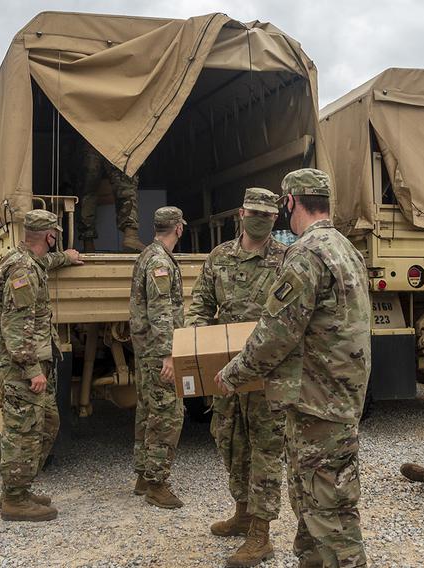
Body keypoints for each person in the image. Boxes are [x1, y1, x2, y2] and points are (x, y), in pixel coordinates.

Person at [215, 169, 371, 568]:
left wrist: (233, 374)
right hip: (339, 397)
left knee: (330, 515)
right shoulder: (345, 248)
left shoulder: (306, 253)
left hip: (318, 403)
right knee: (313, 506)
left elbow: (275, 334)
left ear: (289, 203)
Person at [184, 188, 287, 567]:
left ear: (275, 218)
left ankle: (261, 533)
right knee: (228, 440)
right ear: (241, 213)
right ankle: (242, 511)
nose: (259, 219)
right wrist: (193, 343)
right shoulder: (219, 258)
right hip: (225, 370)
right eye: (254, 213)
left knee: (266, 449)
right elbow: (200, 305)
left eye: (267, 215)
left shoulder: (285, 260)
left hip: (266, 373)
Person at [0, 209, 83, 521]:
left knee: (47, 423)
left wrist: (65, 258)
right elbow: (17, 327)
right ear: (50, 236)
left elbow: (45, 261)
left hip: (25, 362)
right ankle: (14, 498)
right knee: (23, 430)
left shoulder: (25, 259)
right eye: (55, 235)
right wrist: (32, 370)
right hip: (21, 367)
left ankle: (19, 487)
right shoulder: (23, 272)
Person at [129, 206, 187, 509]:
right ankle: (157, 484)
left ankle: (144, 475)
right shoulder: (159, 261)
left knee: (148, 411)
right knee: (167, 415)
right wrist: (168, 355)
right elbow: (161, 310)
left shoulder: (148, 255)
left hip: (147, 349)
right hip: (158, 351)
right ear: (178, 228)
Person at [77, 139, 145, 253]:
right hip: (118, 138)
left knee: (88, 192)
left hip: (91, 135)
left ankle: (88, 242)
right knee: (125, 186)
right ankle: (130, 235)